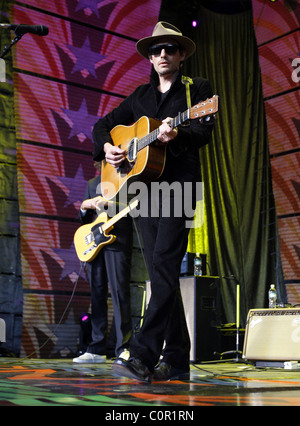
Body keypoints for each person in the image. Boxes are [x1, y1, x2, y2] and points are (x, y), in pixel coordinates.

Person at [92, 22, 215, 381]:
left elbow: (204, 131)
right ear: (149, 56)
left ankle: (142, 353)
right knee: (160, 273)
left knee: (163, 265)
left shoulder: (198, 91)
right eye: (157, 49)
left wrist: (178, 133)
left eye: (170, 49)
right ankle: (177, 362)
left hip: (180, 187)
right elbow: (104, 124)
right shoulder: (140, 97)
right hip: (144, 191)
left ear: (181, 55)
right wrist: (108, 148)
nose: (163, 54)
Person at [73, 166, 133, 363]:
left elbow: (137, 209)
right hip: (95, 244)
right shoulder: (92, 183)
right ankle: (96, 348)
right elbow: (84, 218)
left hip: (118, 240)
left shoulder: (128, 179)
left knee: (119, 293)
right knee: (97, 294)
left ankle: (123, 347)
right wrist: (85, 205)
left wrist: (112, 203)